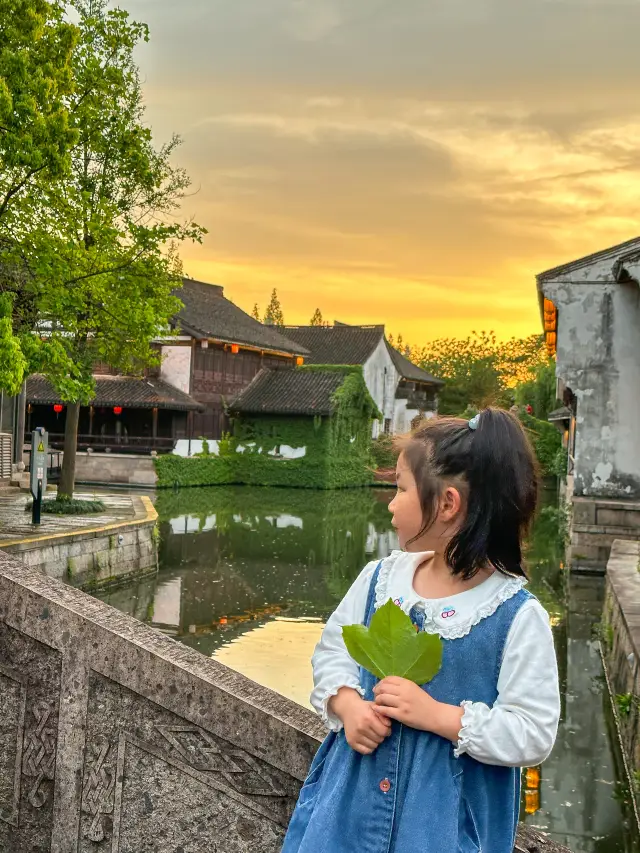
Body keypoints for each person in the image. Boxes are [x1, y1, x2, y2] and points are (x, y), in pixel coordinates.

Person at [282, 408, 560, 853]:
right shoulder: (380, 579)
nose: (391, 503)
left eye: (401, 488)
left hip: (444, 830)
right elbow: (333, 651)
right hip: (349, 811)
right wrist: (349, 706)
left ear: (447, 504)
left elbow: (533, 731)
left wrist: (438, 716)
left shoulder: (516, 616)